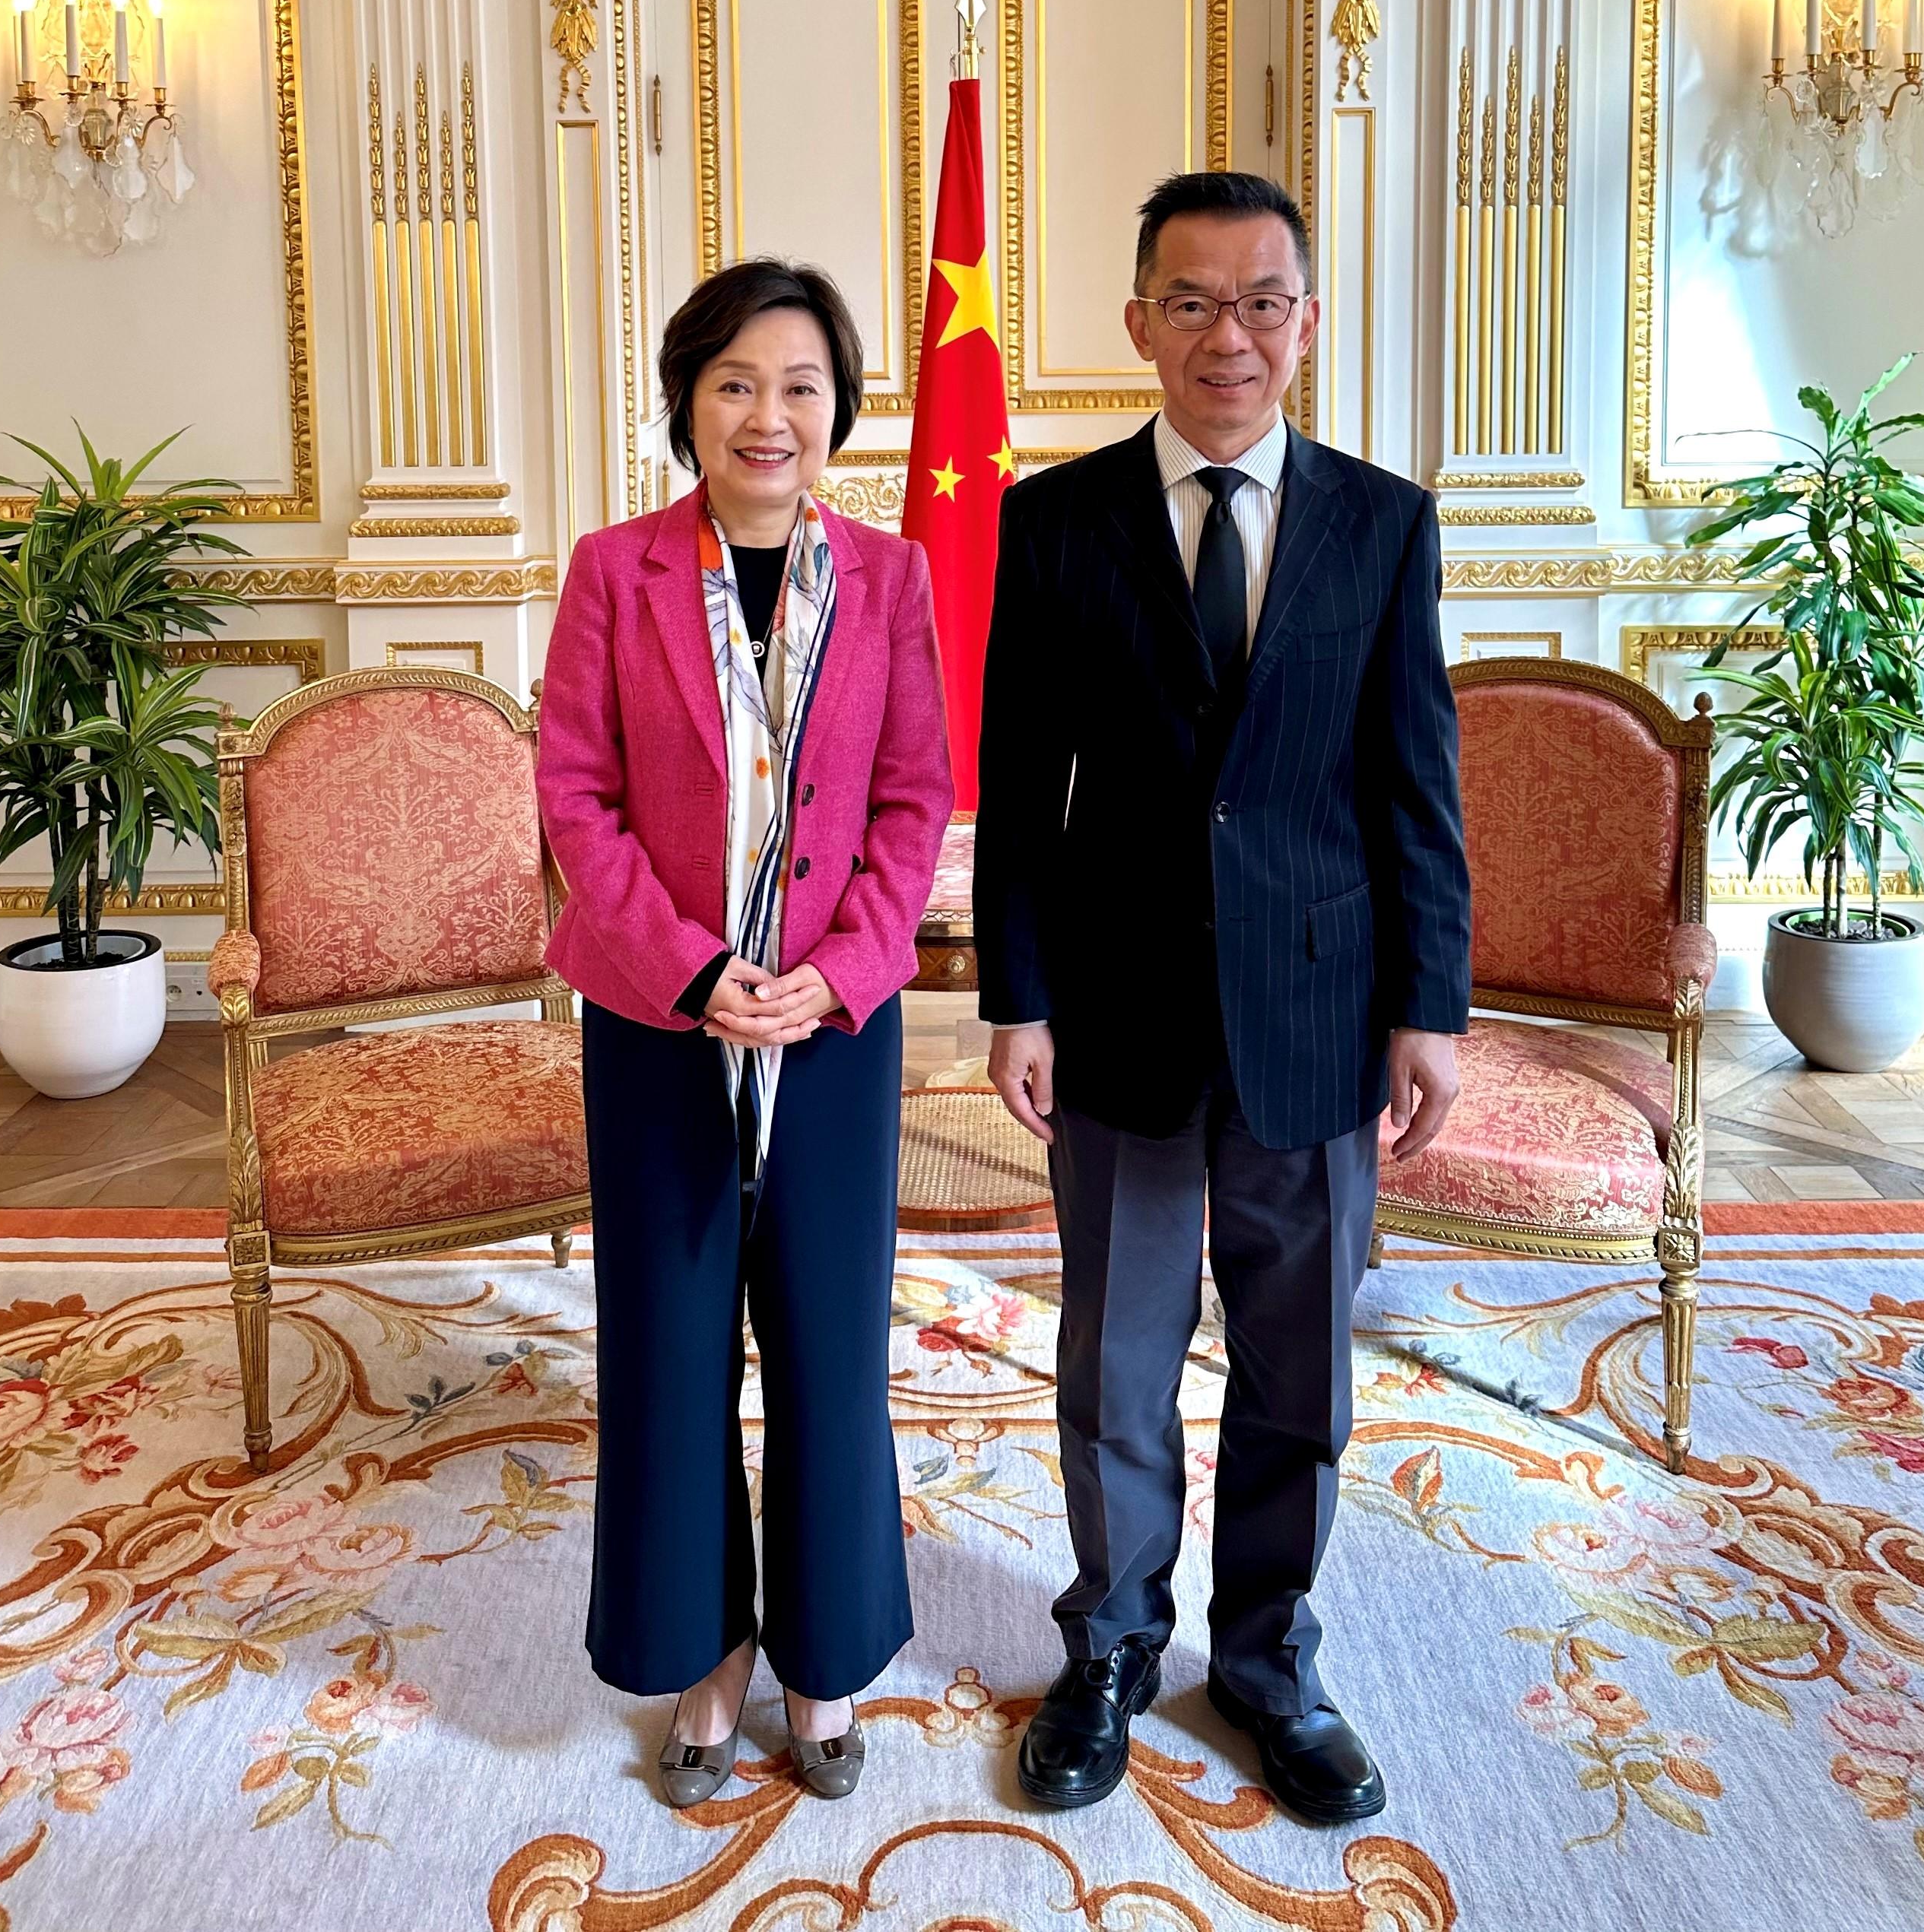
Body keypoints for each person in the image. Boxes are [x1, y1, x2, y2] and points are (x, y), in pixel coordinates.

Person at [976, 170, 1469, 1828]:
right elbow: (1018, 788)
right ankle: (1111, 1640)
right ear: (1136, 324)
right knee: (1114, 1355)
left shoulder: (1380, 523)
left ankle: (1266, 1659)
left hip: (1318, 1017)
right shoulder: (1049, 523)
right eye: (1190, 301)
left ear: (1306, 325)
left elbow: (1413, 791)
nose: (1228, 334)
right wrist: (1014, 996)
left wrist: (1431, 1006)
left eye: (1262, 300)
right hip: (1112, 1010)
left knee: (1292, 1362)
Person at [538, 259, 953, 1805]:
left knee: (828, 1346)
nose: (764, 414)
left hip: (832, 1030)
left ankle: (822, 1661)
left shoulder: (895, 579)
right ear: (685, 405)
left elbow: (915, 801)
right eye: (732, 382)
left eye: (795, 383)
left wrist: (837, 970)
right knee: (670, 1343)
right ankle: (702, 1663)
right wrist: (691, 963)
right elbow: (572, 797)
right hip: (658, 1021)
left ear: (837, 406)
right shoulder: (611, 571)